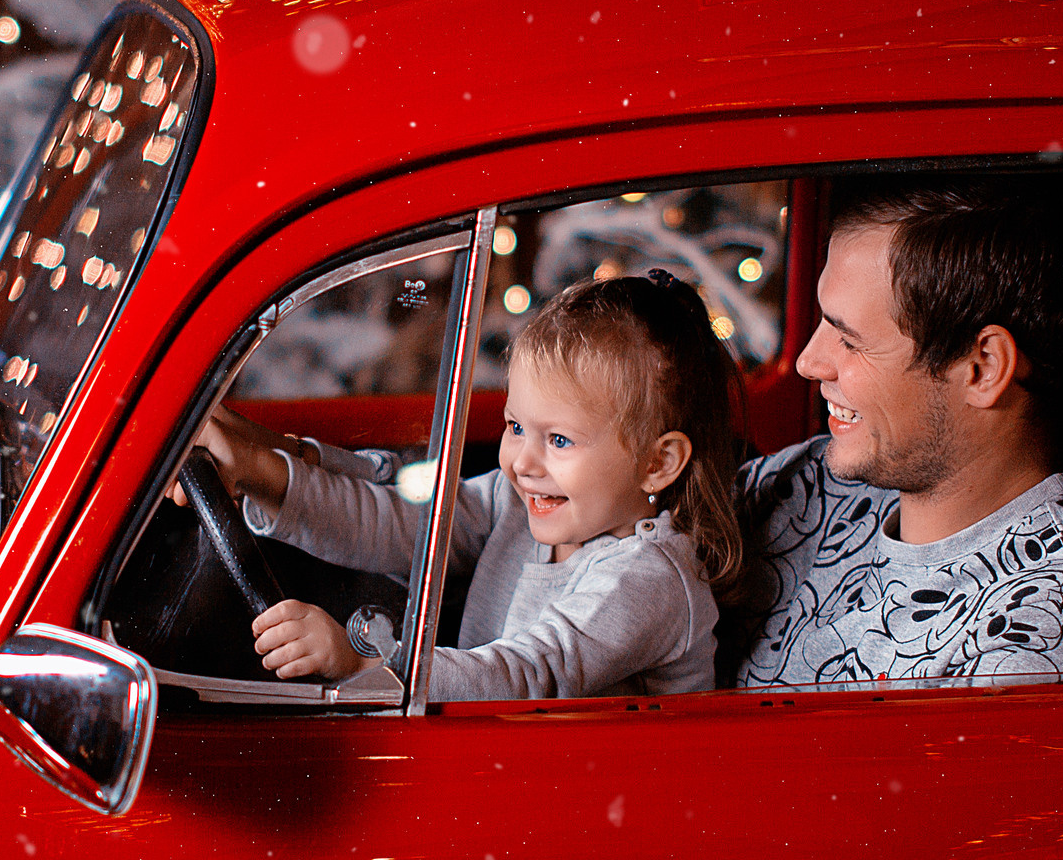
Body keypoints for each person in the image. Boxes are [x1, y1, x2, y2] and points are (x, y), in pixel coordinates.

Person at [191, 272, 743, 701]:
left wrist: (365, 665)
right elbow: (401, 523)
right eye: (515, 427)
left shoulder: (649, 578)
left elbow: (530, 675)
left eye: (559, 440)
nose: (522, 462)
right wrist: (265, 475)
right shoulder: (518, 503)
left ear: (657, 463)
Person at [729, 174, 1063, 688]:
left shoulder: (1054, 636)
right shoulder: (813, 486)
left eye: (851, 341)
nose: (809, 362)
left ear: (982, 368)